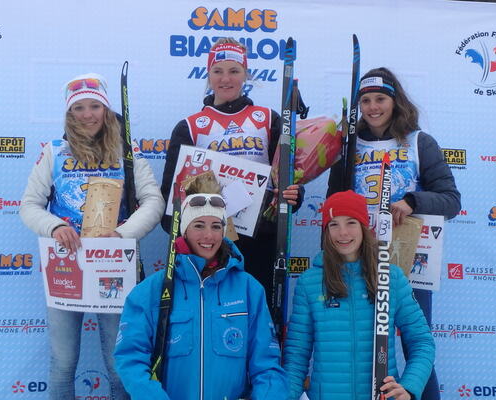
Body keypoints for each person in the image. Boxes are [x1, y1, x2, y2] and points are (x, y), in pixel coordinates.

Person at [20, 72, 165, 400]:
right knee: (63, 362)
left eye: (95, 106)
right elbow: (29, 205)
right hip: (66, 265)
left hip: (113, 264)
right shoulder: (55, 151)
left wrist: (123, 234)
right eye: (79, 108)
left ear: (106, 109)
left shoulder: (128, 152)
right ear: (69, 114)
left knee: (118, 363)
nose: (88, 114)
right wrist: (55, 227)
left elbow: (153, 202)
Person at [327, 67, 460, 400]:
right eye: (366, 101)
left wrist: (413, 201)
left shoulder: (418, 142)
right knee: (362, 342)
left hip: (409, 256)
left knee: (416, 344)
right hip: (359, 255)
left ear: (395, 101)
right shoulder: (349, 146)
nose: (373, 107)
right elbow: (333, 202)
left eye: (380, 99)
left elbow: (451, 200)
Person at [161, 37, 303, 308]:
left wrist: (293, 195)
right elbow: (171, 197)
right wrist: (187, 236)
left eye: (234, 71)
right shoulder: (190, 126)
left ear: (245, 74)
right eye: (218, 71)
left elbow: (287, 178)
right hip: (210, 240)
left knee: (257, 310)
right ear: (208, 74)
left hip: (260, 238)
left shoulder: (268, 119)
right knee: (212, 312)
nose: (225, 79)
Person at [114, 190, 288, 400]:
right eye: (198, 225)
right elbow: (131, 359)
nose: (208, 236)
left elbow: (267, 366)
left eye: (216, 226)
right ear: (184, 231)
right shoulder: (151, 291)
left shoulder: (249, 289)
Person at [284, 190, 435, 400]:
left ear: (364, 226)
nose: (342, 233)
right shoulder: (310, 282)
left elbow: (422, 342)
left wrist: (409, 387)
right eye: (333, 224)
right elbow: (296, 357)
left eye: (351, 223)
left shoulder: (391, 278)